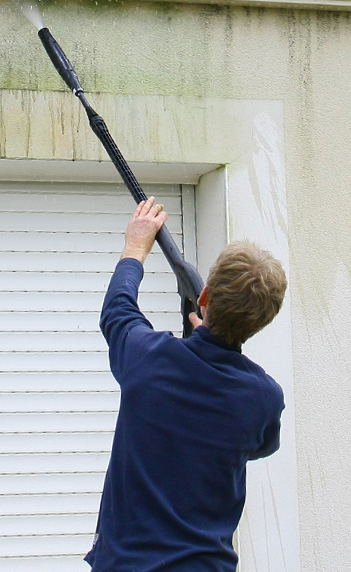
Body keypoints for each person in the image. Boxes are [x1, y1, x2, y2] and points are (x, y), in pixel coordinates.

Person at [85, 198, 287, 571]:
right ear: (263, 320)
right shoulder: (264, 399)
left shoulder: (148, 359)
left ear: (205, 298)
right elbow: (260, 445)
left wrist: (135, 247)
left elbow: (118, 310)